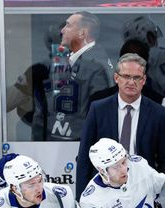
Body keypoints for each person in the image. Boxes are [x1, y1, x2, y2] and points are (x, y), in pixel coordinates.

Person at [76, 53, 165, 200]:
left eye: (136, 77)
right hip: (104, 188)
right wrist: (82, 198)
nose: (131, 82)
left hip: (142, 190)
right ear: (116, 78)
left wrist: (157, 193)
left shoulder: (158, 113)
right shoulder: (98, 109)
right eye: (126, 76)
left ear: (144, 80)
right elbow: (84, 157)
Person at [32, 11, 113, 141]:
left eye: (68, 26)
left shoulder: (95, 64)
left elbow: (102, 113)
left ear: (82, 33)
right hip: (61, 139)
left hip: (77, 142)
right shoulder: (77, 61)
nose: (62, 30)